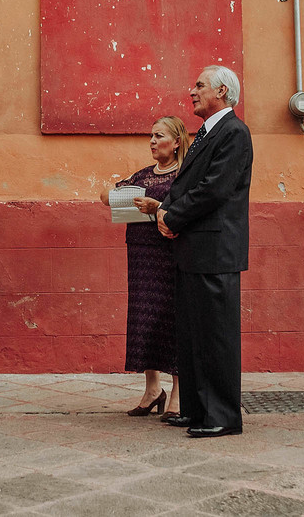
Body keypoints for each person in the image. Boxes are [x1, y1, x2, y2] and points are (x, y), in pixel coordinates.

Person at [156, 65, 252, 438]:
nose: (191, 90)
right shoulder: (207, 133)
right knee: (193, 334)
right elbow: (187, 184)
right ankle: (196, 410)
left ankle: (223, 416)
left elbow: (215, 189)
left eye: (199, 85)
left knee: (216, 336)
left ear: (222, 92)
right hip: (194, 248)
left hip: (216, 249)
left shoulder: (234, 133)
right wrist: (165, 212)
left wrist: (173, 216)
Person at [101, 116, 191, 420]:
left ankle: (179, 393)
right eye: (151, 136)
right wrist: (120, 195)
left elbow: (188, 207)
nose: (152, 141)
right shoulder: (141, 175)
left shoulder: (185, 174)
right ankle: (153, 390)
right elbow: (106, 197)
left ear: (177, 142)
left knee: (173, 318)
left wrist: (158, 207)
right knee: (145, 319)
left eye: (159, 136)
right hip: (141, 255)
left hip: (170, 254)